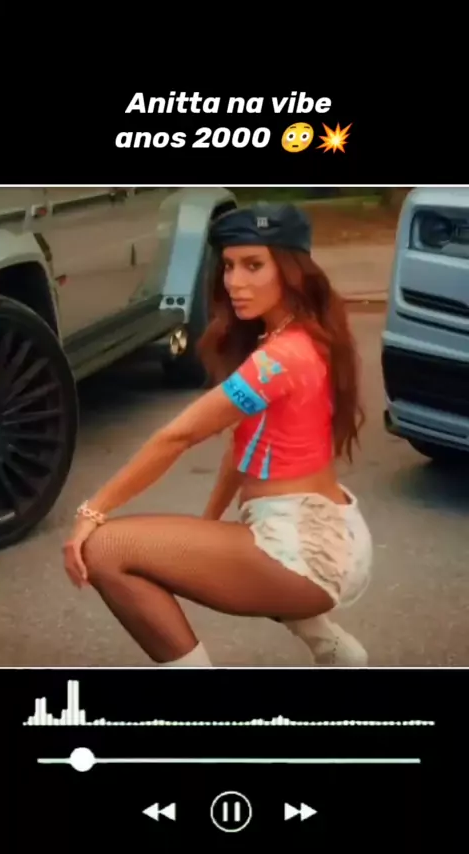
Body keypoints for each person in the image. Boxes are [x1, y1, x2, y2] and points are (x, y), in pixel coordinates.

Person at [62, 202, 373, 668]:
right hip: (330, 535)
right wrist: (207, 525)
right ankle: (334, 650)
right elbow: (244, 446)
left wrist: (92, 511)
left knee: (104, 548)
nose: (234, 282)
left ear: (292, 270)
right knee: (190, 542)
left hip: (304, 554)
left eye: (254, 265)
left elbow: (177, 436)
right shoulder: (305, 337)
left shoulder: (277, 360)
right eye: (228, 266)